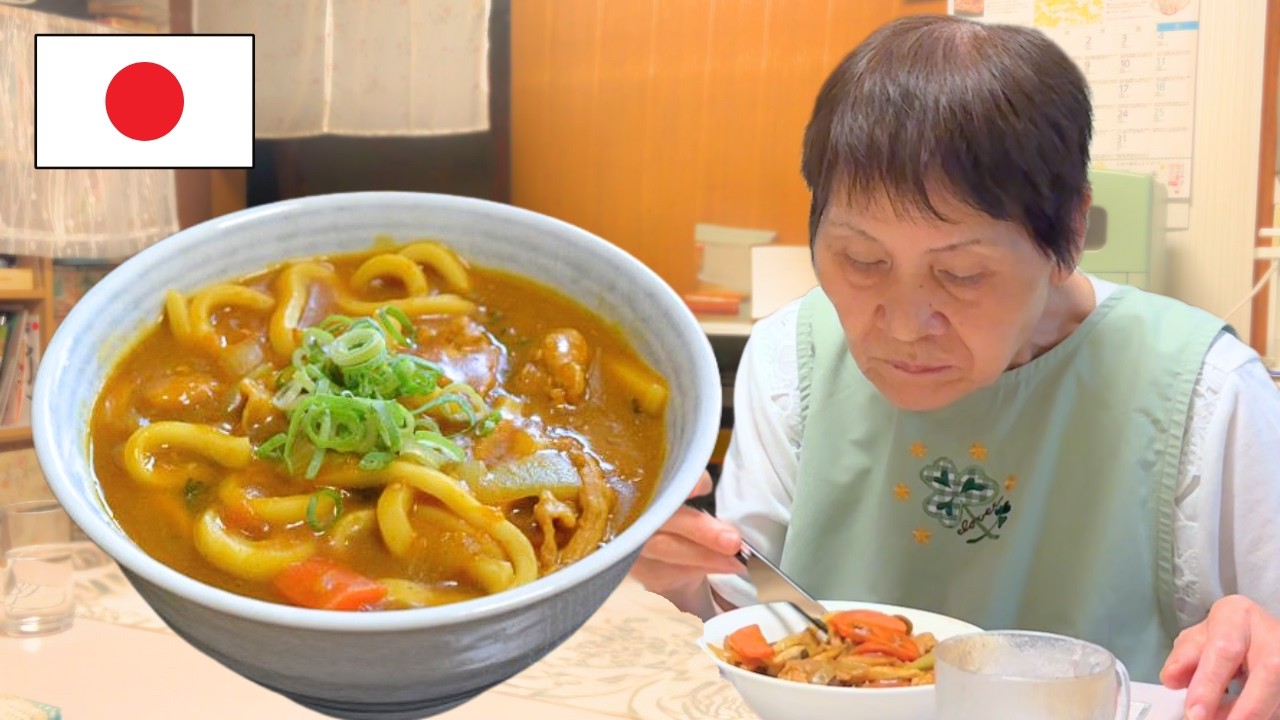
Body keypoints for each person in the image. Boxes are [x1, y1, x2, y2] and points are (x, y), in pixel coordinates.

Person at [630, 14, 1280, 720]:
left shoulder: (1207, 391)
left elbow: (1257, 647)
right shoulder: (792, 354)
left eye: (963, 274)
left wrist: (1257, 636)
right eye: (862, 261)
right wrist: (679, 577)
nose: (904, 325)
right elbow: (746, 613)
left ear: (1068, 236)